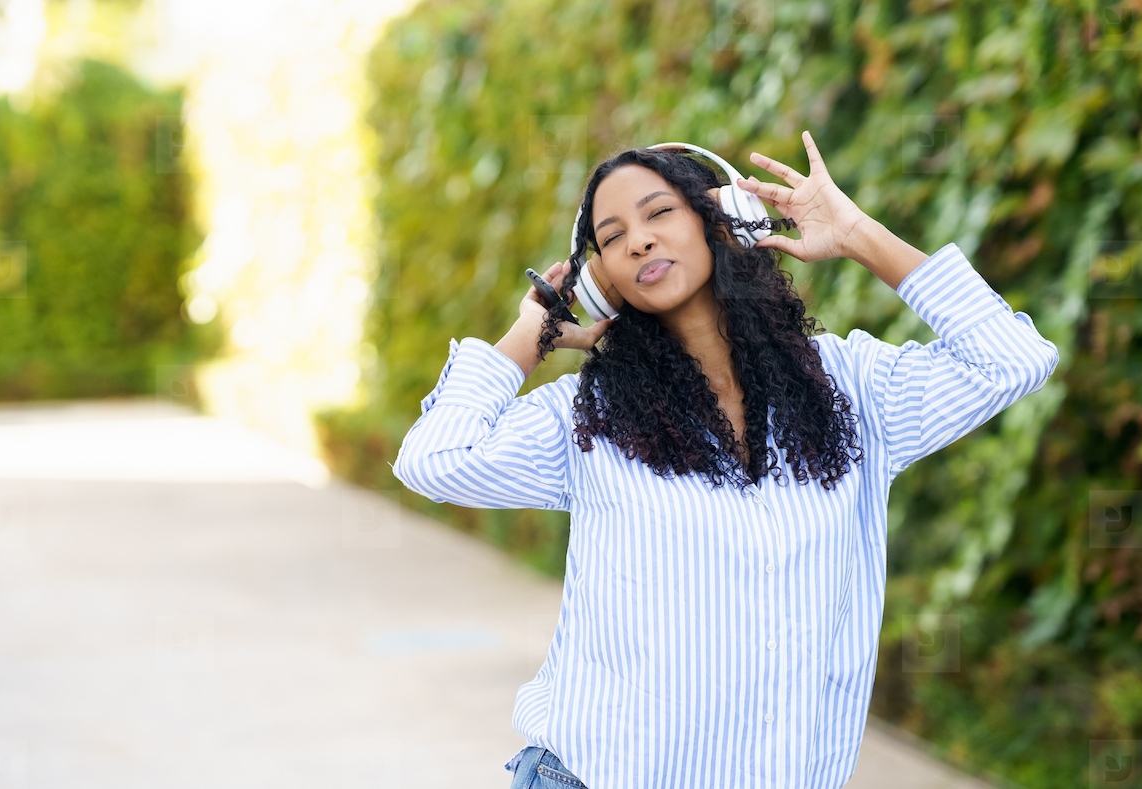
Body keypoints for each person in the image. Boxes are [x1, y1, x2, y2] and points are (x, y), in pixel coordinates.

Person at [392, 131, 1059, 789]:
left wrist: (856, 232)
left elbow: (1014, 359)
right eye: (613, 236)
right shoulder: (585, 419)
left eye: (658, 214)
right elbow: (434, 459)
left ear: (722, 223)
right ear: (605, 282)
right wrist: (534, 328)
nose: (640, 240)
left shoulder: (853, 386)